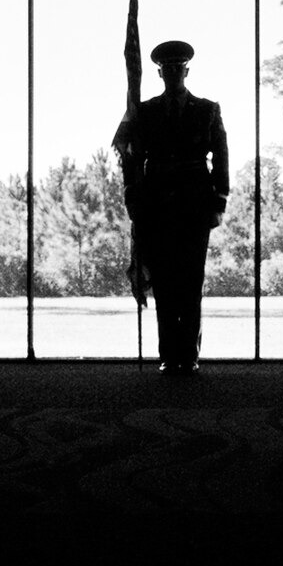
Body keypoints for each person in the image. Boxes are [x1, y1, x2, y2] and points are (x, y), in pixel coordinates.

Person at [123, 40, 229, 376]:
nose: (172, 72)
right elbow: (131, 158)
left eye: (177, 67)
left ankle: (190, 352)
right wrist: (133, 197)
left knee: (191, 281)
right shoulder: (145, 111)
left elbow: (221, 157)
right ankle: (169, 353)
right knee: (165, 283)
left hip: (195, 204)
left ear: (186, 70)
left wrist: (219, 200)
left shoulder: (207, 110)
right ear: (159, 72)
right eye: (166, 68)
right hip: (156, 205)